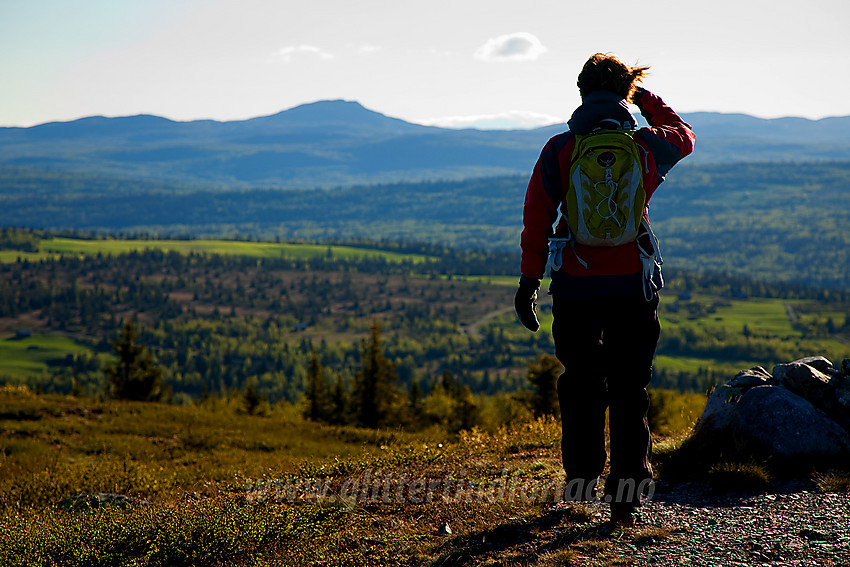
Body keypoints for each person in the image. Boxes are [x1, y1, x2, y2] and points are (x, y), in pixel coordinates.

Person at [514, 53, 695, 524]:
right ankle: (627, 497)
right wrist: (643, 98)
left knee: (581, 383)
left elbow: (537, 220)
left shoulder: (560, 149)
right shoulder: (646, 146)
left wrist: (529, 281)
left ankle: (580, 486)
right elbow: (686, 134)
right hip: (633, 286)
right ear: (623, 94)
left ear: (579, 94)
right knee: (630, 387)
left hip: (575, 286)